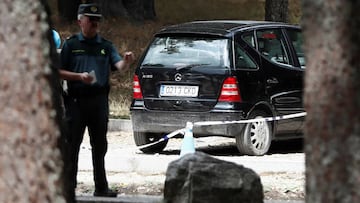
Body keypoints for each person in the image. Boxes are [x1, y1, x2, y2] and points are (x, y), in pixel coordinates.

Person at [59, 3, 135, 197]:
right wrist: (78, 77)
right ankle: (69, 187)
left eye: (97, 21)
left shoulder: (105, 45)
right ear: (80, 21)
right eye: (90, 20)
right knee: (72, 145)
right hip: (76, 101)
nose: (94, 24)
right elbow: (58, 71)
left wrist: (126, 61)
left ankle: (101, 187)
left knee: (100, 145)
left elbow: (118, 66)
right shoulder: (71, 44)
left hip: (98, 101)